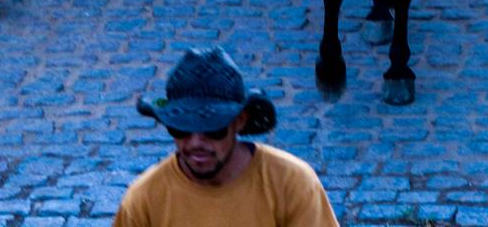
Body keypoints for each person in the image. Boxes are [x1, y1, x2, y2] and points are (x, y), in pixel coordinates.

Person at [122, 47, 338, 227]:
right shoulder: (143, 200)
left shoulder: (292, 184)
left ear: (240, 121)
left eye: (212, 129)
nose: (196, 142)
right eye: (181, 129)